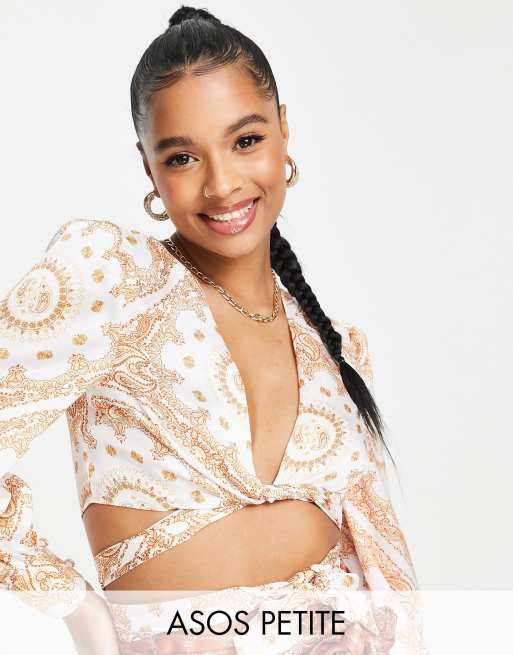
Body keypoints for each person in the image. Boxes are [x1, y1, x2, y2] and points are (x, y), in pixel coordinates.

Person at [0, 6, 425, 654]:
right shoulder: (114, 278)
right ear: (149, 169)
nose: (222, 184)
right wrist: (77, 609)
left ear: (283, 131)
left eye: (245, 140)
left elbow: (381, 559)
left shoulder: (334, 347)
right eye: (181, 157)